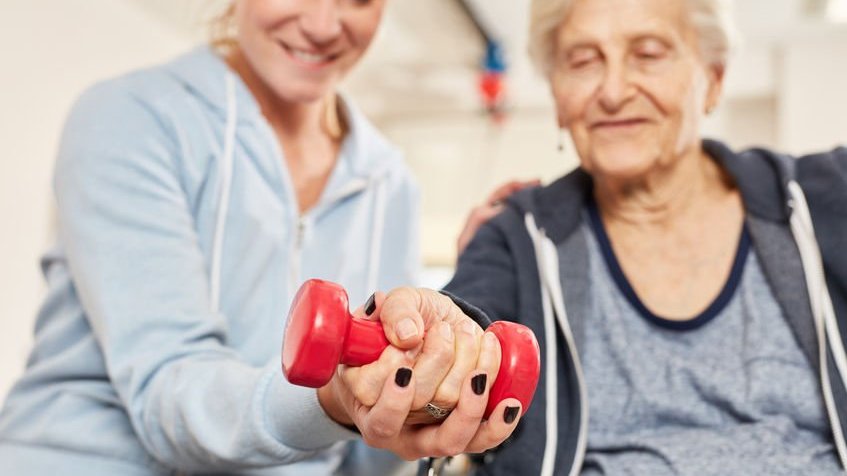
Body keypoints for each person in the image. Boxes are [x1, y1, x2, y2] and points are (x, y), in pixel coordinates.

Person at [0, 1, 520, 474]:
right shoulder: (130, 119)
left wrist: (426, 370)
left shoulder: (392, 184)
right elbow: (170, 398)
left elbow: (358, 450)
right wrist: (332, 401)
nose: (321, 25)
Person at [375, 0, 847, 474]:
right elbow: (466, 327)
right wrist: (433, 350)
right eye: (582, 62)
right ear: (557, 96)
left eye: (648, 54)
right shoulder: (517, 236)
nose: (614, 91)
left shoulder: (826, 198)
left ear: (714, 79)